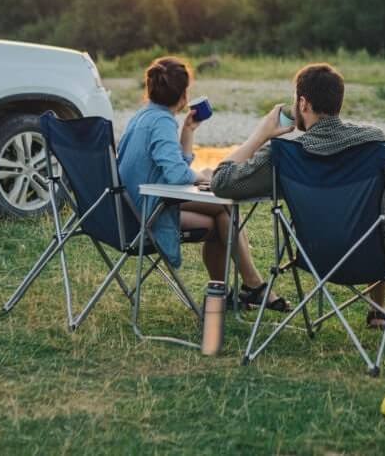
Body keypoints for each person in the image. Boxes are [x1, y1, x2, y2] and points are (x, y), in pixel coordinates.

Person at [211, 62, 385, 329]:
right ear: (338, 102)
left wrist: (259, 136)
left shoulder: (285, 155)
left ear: (303, 104)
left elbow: (221, 182)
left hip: (316, 257)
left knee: (383, 203)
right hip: (377, 257)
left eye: (296, 101)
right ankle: (379, 308)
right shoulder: (372, 141)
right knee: (384, 208)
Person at [117, 56, 288, 311]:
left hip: (134, 207)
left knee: (220, 218)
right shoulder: (161, 122)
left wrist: (188, 132)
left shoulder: (144, 117)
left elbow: (173, 166)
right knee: (223, 209)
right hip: (148, 214)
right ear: (184, 95)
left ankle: (226, 294)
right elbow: (177, 176)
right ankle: (252, 286)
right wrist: (203, 177)